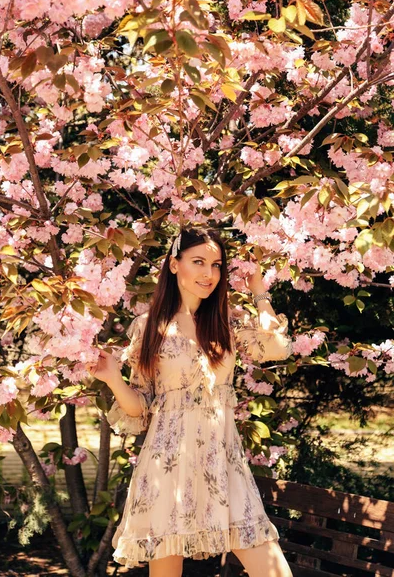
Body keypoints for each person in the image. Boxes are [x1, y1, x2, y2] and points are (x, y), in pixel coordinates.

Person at [86, 226, 293, 577]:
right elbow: (140, 409)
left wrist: (258, 289)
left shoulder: (228, 321)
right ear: (173, 265)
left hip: (225, 465)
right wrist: (113, 379)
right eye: (198, 261)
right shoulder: (148, 326)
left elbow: (276, 348)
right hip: (167, 468)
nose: (208, 273)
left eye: (216, 265)